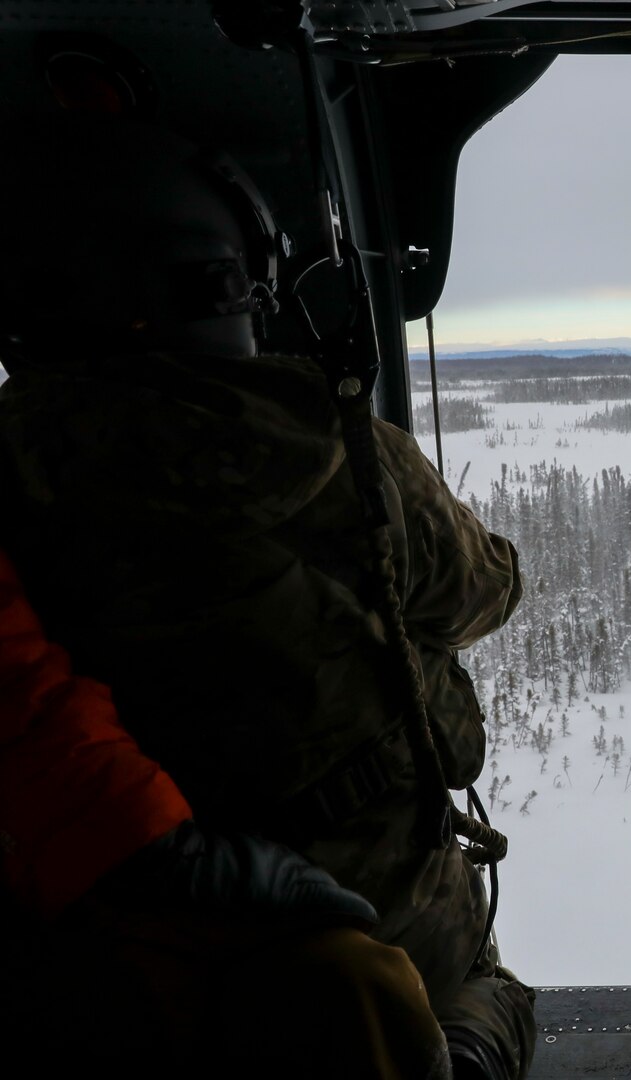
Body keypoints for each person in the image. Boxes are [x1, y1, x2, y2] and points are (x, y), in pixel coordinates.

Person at [0, 114, 532, 1078]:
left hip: (126, 937)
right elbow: (483, 592)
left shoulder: (15, 476)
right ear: (236, 281)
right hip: (379, 918)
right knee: (485, 988)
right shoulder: (345, 451)